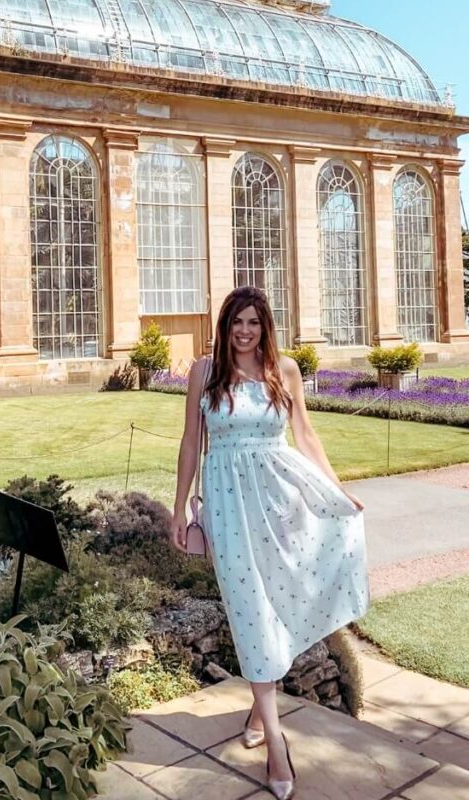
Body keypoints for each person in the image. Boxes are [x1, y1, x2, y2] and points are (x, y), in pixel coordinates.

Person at [170, 286, 370, 800]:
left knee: (282, 602)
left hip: (282, 500)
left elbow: (305, 434)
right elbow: (192, 443)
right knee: (250, 611)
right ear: (224, 325)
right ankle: (277, 744)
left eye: (254, 323)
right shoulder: (204, 372)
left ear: (266, 326)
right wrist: (179, 507)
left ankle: (260, 708)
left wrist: (338, 490)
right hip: (228, 504)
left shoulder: (285, 372)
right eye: (237, 322)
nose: (245, 331)